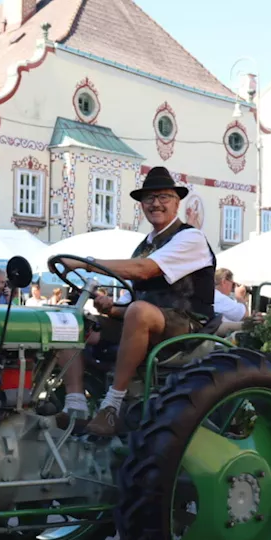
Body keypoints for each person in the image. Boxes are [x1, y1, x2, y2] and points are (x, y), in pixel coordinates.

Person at [55, 166, 217, 436]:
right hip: (147, 321)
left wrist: (87, 264)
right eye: (149, 198)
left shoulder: (190, 237)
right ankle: (75, 402)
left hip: (188, 323)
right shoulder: (143, 246)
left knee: (140, 311)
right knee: (66, 322)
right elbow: (135, 298)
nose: (156, 203)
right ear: (141, 205)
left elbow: (146, 270)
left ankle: (112, 405)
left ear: (177, 202)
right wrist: (112, 307)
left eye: (163, 197)